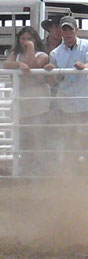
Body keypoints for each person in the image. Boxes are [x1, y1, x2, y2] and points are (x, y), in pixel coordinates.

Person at [4, 26, 51, 175]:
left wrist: (30, 48)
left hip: (38, 102)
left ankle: (39, 170)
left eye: (29, 39)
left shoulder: (43, 55)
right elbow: (6, 64)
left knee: (37, 136)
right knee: (23, 137)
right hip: (22, 102)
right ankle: (25, 169)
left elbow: (32, 65)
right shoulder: (15, 54)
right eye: (23, 39)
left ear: (35, 40)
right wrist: (18, 64)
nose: (25, 41)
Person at [44, 16, 88, 174]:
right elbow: (54, 82)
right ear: (60, 31)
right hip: (67, 104)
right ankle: (71, 173)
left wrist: (85, 66)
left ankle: (81, 173)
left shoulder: (86, 45)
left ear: (76, 29)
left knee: (84, 140)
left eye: (70, 29)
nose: (68, 32)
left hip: (85, 102)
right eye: (65, 29)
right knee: (70, 139)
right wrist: (50, 71)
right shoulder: (55, 53)